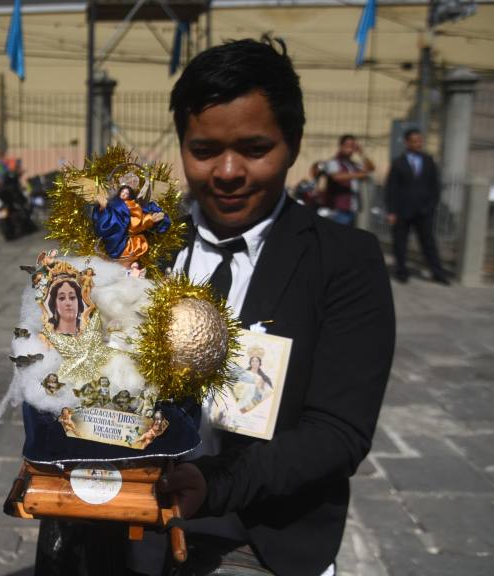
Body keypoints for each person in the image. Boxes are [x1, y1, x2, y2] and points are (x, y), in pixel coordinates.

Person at [156, 37, 395, 576]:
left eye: (255, 148)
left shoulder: (343, 260)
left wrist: (212, 485)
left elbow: (338, 431)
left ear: (293, 143)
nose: (228, 171)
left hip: (254, 536)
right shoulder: (141, 244)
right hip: (124, 524)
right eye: (204, 150)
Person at [384, 128, 448, 284]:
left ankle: (438, 273)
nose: (418, 144)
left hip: (424, 211)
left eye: (420, 140)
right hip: (402, 211)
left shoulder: (428, 160)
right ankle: (401, 272)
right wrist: (391, 211)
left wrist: (431, 206)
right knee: (400, 243)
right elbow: (391, 188)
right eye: (414, 141)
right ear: (407, 143)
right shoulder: (398, 162)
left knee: (428, 243)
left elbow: (435, 186)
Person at [323, 134, 375, 226]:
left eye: (352, 146)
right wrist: (359, 175)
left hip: (353, 208)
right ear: (341, 146)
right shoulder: (333, 162)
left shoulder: (353, 164)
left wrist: (361, 153)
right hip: (338, 209)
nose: (350, 149)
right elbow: (336, 177)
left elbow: (371, 168)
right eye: (347, 146)